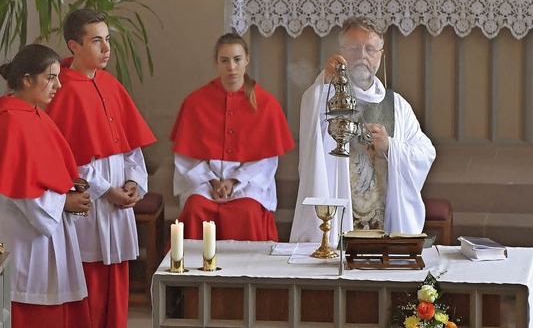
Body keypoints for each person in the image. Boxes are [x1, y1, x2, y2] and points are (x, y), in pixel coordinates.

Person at [45, 8, 156, 328]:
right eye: (97, 41)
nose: (107, 48)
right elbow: (68, 158)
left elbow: (131, 146)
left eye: (107, 40)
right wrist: (108, 191)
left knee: (117, 279)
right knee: (89, 283)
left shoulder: (110, 84)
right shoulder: (62, 89)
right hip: (90, 203)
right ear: (74, 46)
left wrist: (134, 181)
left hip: (118, 200)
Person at [290, 17, 436, 245]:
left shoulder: (397, 105)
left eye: (369, 48)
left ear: (381, 54)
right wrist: (327, 81)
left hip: (385, 227)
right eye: (354, 48)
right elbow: (312, 130)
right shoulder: (325, 95)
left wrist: (391, 147)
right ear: (341, 51)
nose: (362, 56)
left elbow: (426, 153)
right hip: (336, 226)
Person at [170, 33, 295, 241]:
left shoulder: (266, 104)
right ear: (216, 62)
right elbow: (187, 158)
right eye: (224, 61)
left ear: (247, 59)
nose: (231, 67)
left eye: (237, 60)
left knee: (247, 211)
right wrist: (212, 182)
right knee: (196, 208)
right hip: (204, 183)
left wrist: (233, 181)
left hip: (247, 183)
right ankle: (194, 273)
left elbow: (265, 162)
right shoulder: (195, 102)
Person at [0, 44, 91, 328]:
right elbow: (17, 188)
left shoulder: (34, 114)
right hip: (24, 233)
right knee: (33, 306)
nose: (58, 84)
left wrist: (70, 189)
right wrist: (63, 202)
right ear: (27, 79)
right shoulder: (12, 120)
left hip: (44, 226)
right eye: (51, 77)